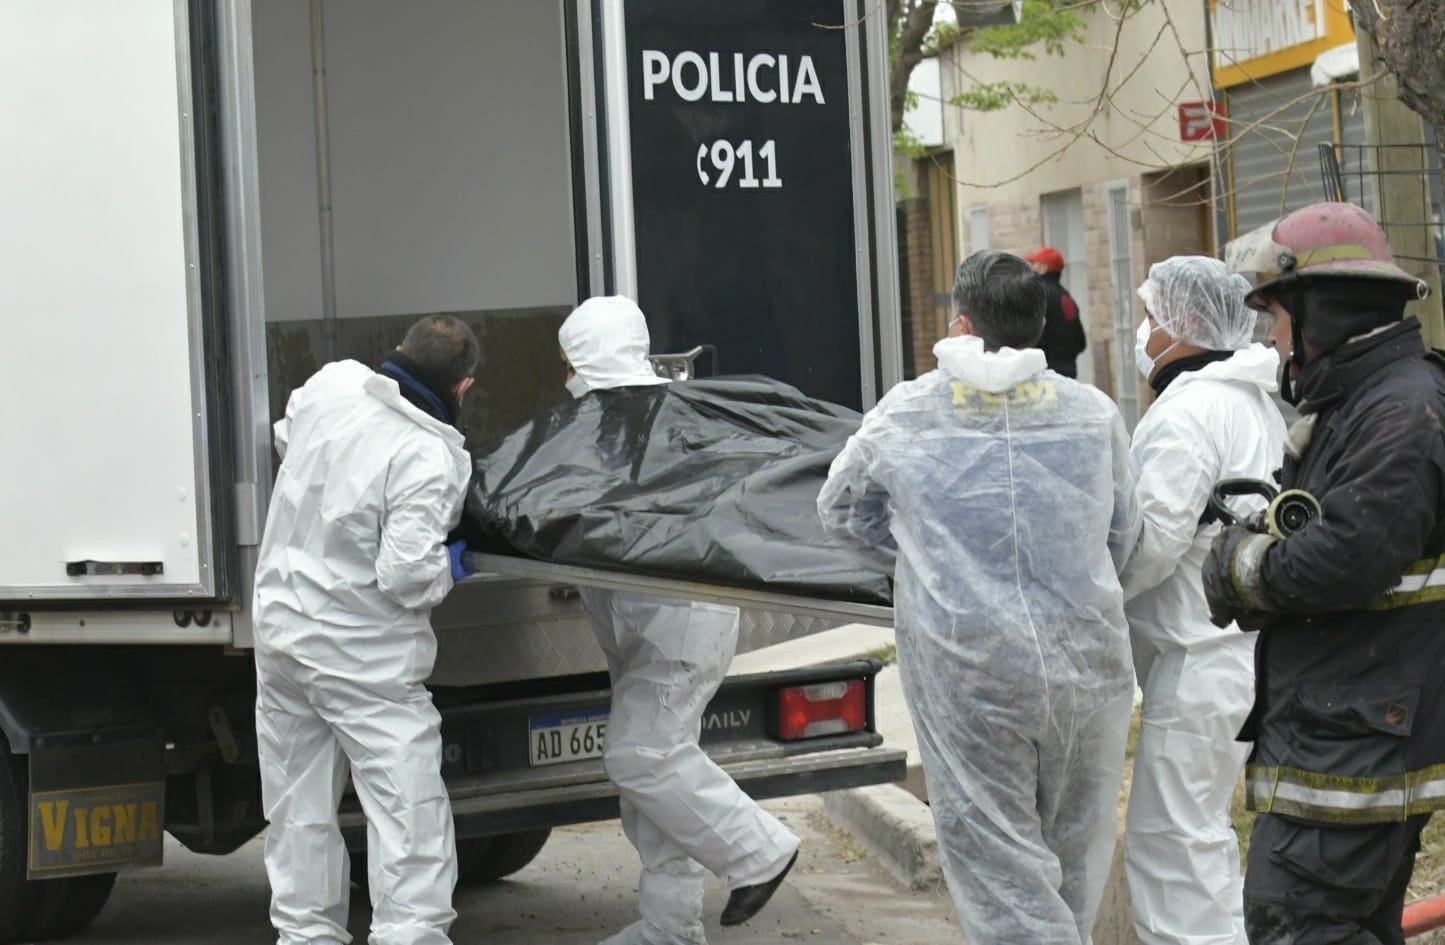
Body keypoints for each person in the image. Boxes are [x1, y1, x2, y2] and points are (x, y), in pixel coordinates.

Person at [819, 251, 1139, 944]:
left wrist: (929, 567)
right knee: (1073, 854)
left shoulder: (909, 413)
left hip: (970, 671)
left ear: (961, 324)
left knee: (1000, 869)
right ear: (1040, 323)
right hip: (1086, 663)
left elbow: (840, 511)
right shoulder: (1092, 413)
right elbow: (1123, 534)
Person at [1207, 201, 1443, 943]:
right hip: (1350, 729)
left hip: (1357, 743)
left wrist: (1239, 565)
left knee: (1298, 924)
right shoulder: (1364, 401)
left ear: (1324, 312)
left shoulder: (1399, 411)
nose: (1274, 338)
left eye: (1279, 317)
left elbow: (1345, 556)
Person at [558, 296, 802, 945]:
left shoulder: (658, 423)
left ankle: (759, 852)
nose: (565, 375)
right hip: (647, 626)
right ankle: (668, 926)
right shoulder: (617, 420)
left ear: (585, 357)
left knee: (640, 754)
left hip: (679, 624)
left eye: (569, 361)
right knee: (658, 776)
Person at [252, 315, 481, 945]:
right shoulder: (426, 454)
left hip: (282, 632)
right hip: (363, 660)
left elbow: (287, 436)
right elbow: (405, 576)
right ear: (462, 388)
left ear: (398, 350)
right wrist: (450, 564)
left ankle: (305, 937)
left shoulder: (332, 385)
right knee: (407, 814)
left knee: (297, 810)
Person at [1119, 257, 1286, 945]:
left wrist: (1086, 591)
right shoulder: (1248, 402)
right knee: (1200, 838)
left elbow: (1151, 543)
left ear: (1185, 323)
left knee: (1173, 851)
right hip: (1242, 654)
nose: (1143, 331)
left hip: (1199, 658)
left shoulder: (1187, 413)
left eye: (1151, 316)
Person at [1026, 246, 1088, 377]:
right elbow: (1080, 341)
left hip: (1045, 372)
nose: (1031, 268)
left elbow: (1028, 335)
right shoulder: (1066, 297)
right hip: (1068, 371)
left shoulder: (1038, 295)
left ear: (1043, 268)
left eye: (1034, 264)